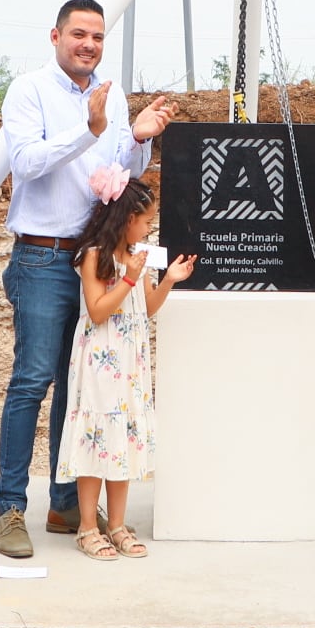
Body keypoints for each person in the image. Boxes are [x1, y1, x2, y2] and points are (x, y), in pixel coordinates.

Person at [0, 0, 176, 559]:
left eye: (97, 36)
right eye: (78, 34)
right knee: (33, 380)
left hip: (100, 256)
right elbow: (24, 164)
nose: (89, 44)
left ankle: (67, 502)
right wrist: (88, 128)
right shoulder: (28, 91)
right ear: (55, 36)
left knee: (82, 389)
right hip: (45, 257)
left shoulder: (113, 92)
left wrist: (138, 138)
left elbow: (116, 174)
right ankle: (10, 509)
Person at [56, 167, 196, 560]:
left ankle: (116, 524)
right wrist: (129, 280)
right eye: (146, 221)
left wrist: (167, 279)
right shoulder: (94, 256)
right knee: (96, 436)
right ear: (127, 220)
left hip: (130, 362)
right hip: (100, 361)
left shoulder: (139, 258)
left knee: (122, 440)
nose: (149, 229)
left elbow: (146, 309)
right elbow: (98, 311)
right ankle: (87, 526)